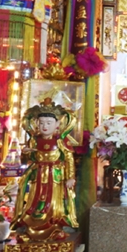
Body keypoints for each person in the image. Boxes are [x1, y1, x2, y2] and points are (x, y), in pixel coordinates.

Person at [14, 99, 78, 242]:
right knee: (35, 201)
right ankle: (32, 226)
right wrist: (26, 152)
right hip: (38, 175)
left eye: (48, 123)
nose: (44, 126)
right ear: (36, 123)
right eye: (41, 123)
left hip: (55, 177)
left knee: (53, 202)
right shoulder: (34, 140)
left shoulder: (60, 141)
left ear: (57, 125)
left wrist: (70, 177)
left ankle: (54, 224)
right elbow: (30, 157)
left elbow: (69, 159)